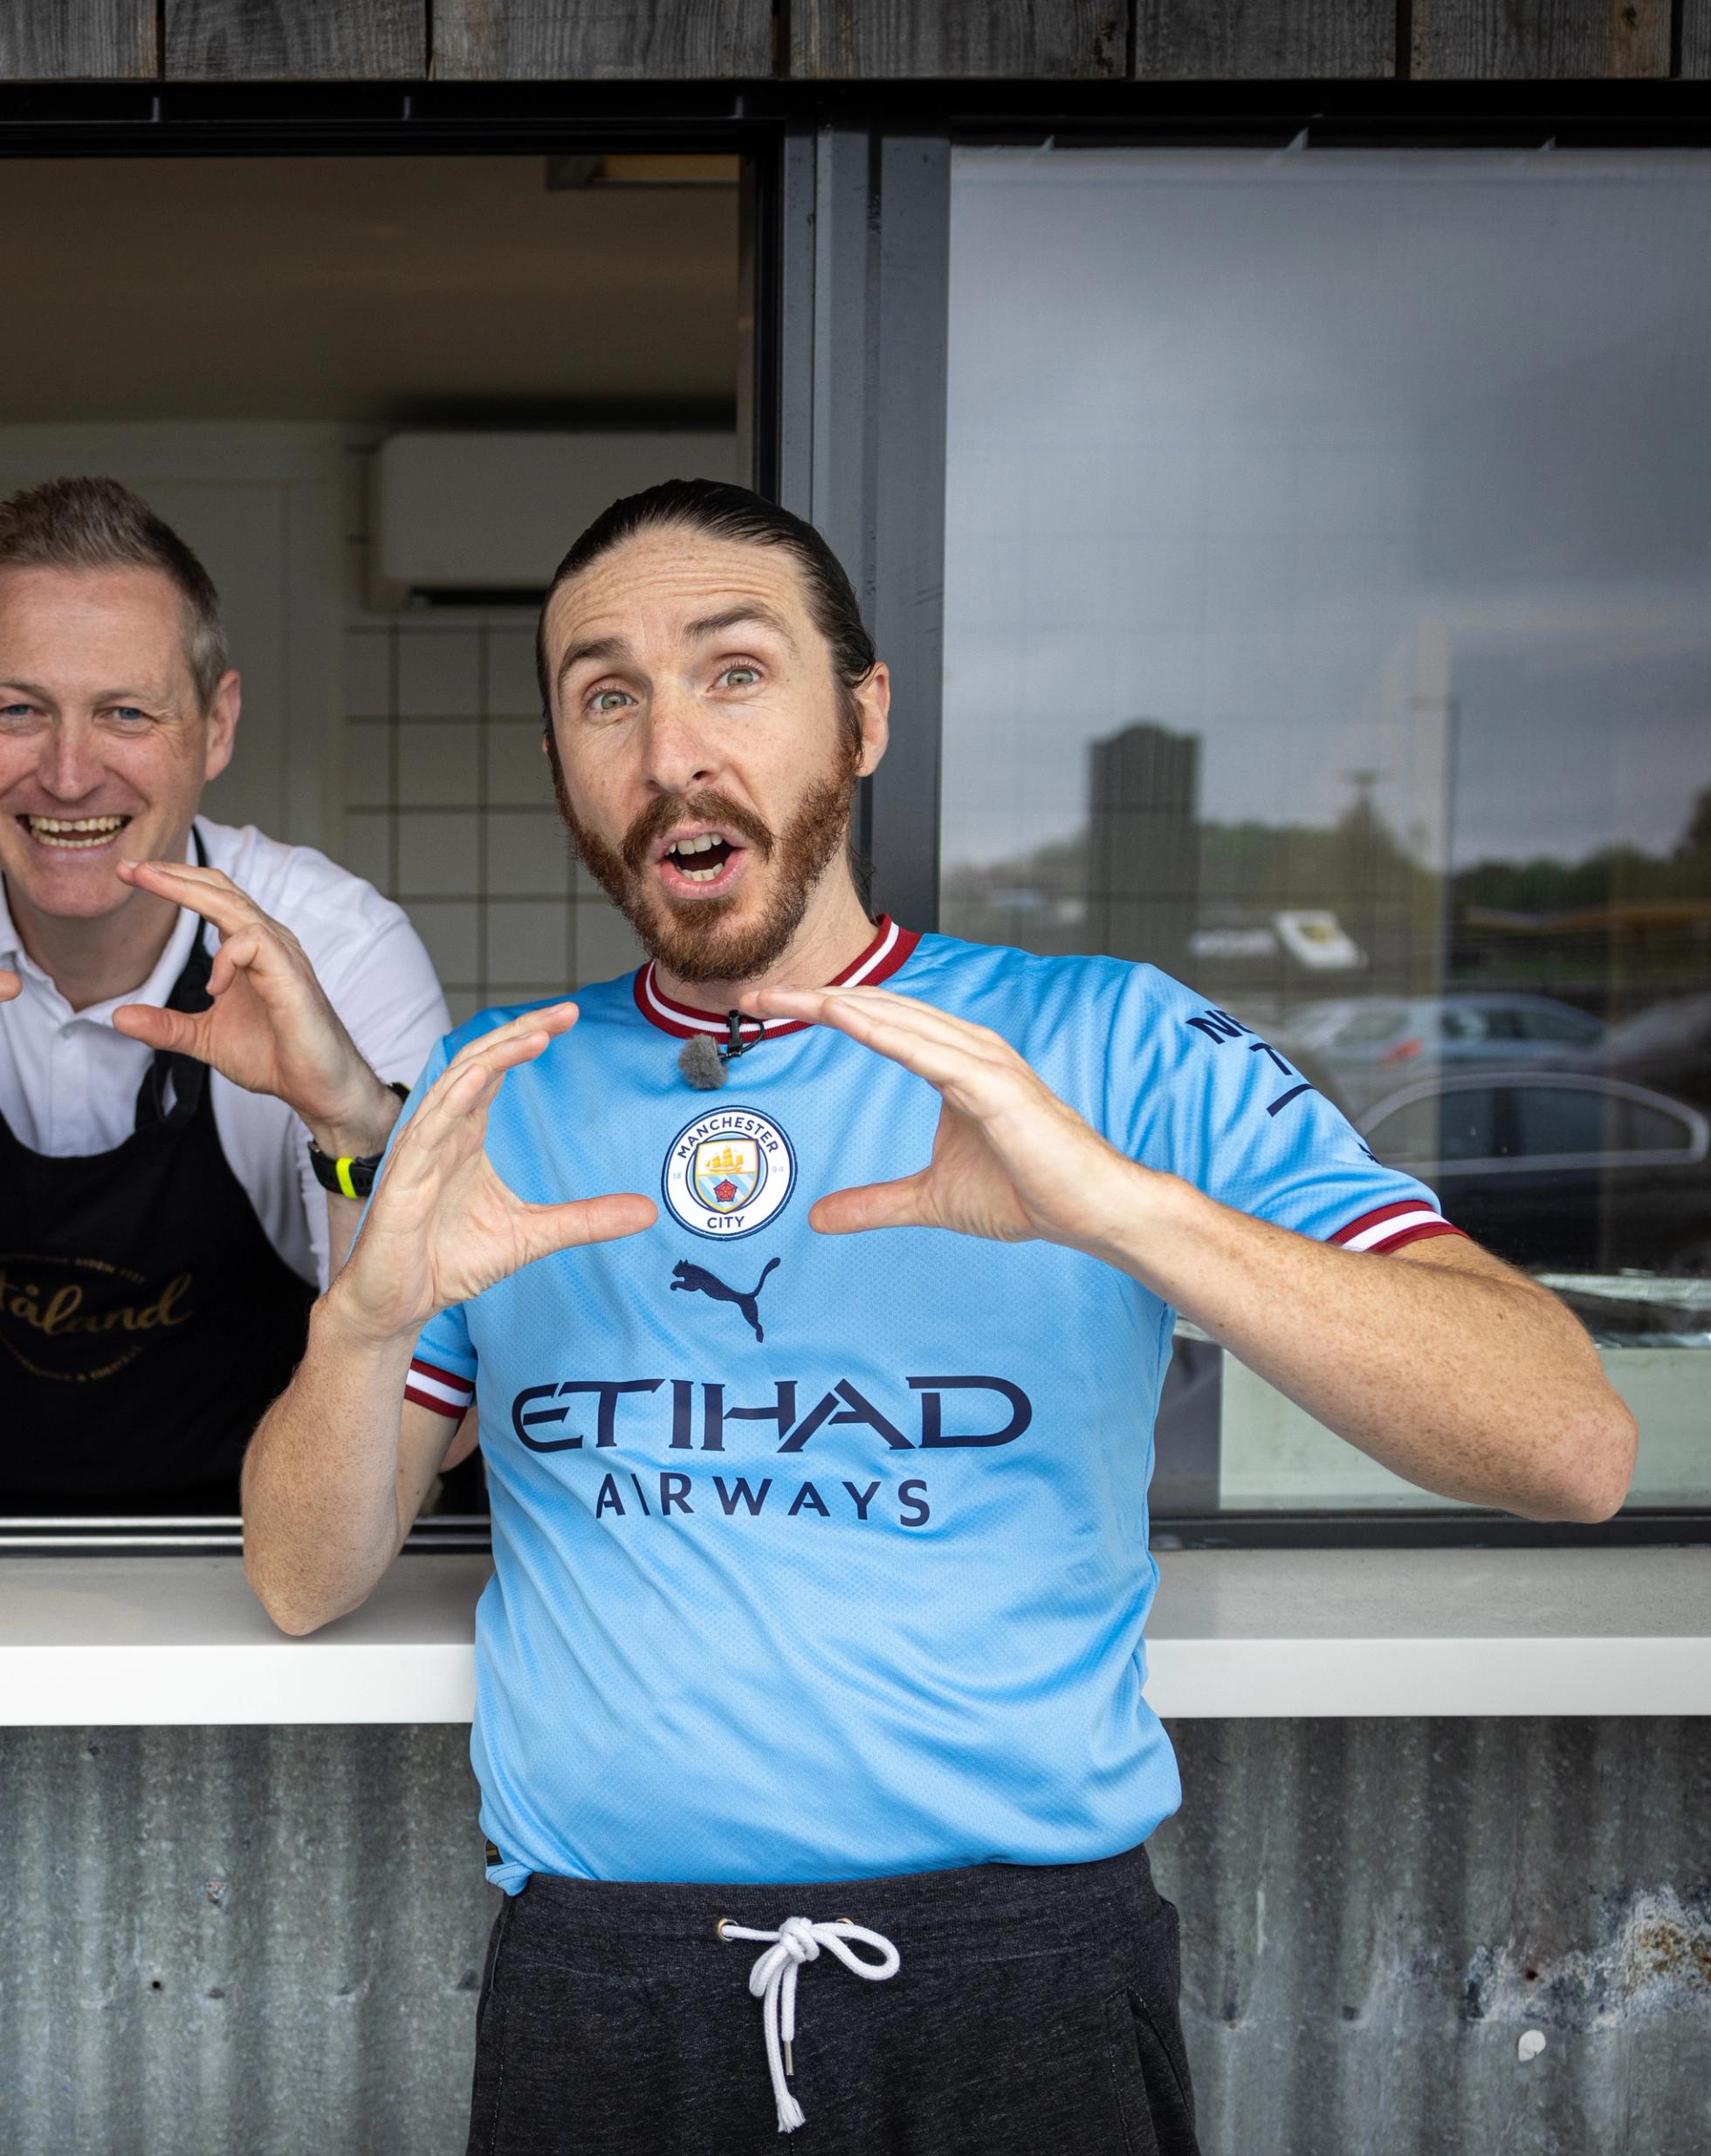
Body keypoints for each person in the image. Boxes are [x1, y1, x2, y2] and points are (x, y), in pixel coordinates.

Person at [240, 479, 1637, 2153]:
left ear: (865, 717)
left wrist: (1112, 1207)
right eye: (606, 695)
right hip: (603, 1986)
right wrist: (365, 1322)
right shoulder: (505, 1094)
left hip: (1022, 1977)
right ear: (565, 770)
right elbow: (303, 1575)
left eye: (735, 672)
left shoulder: (1107, 1042)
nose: (673, 748)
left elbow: (1566, 1443)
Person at [0, 477, 450, 1514]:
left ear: (216, 726)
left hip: (242, 1550)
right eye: (18, 710)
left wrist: (351, 1123)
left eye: (126, 712)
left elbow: (426, 1381)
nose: (70, 776)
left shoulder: (338, 947)